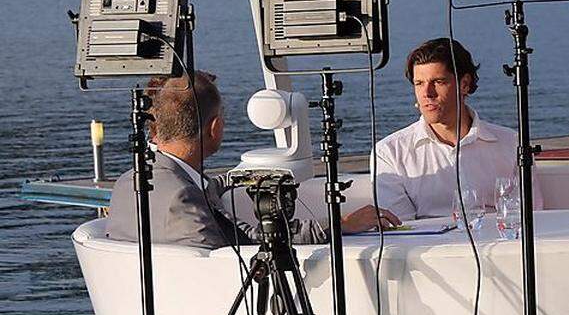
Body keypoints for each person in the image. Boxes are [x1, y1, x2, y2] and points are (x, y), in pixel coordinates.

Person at [106, 71, 400, 249]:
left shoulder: (127, 183)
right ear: (215, 128)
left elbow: (201, 197)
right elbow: (249, 242)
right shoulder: (183, 199)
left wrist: (226, 181)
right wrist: (339, 223)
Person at [374, 38, 540, 219]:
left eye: (438, 81)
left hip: (501, 244)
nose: (427, 93)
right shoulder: (389, 153)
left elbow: (533, 217)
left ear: (465, 84)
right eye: (419, 83)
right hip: (430, 247)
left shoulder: (513, 144)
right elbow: (401, 228)